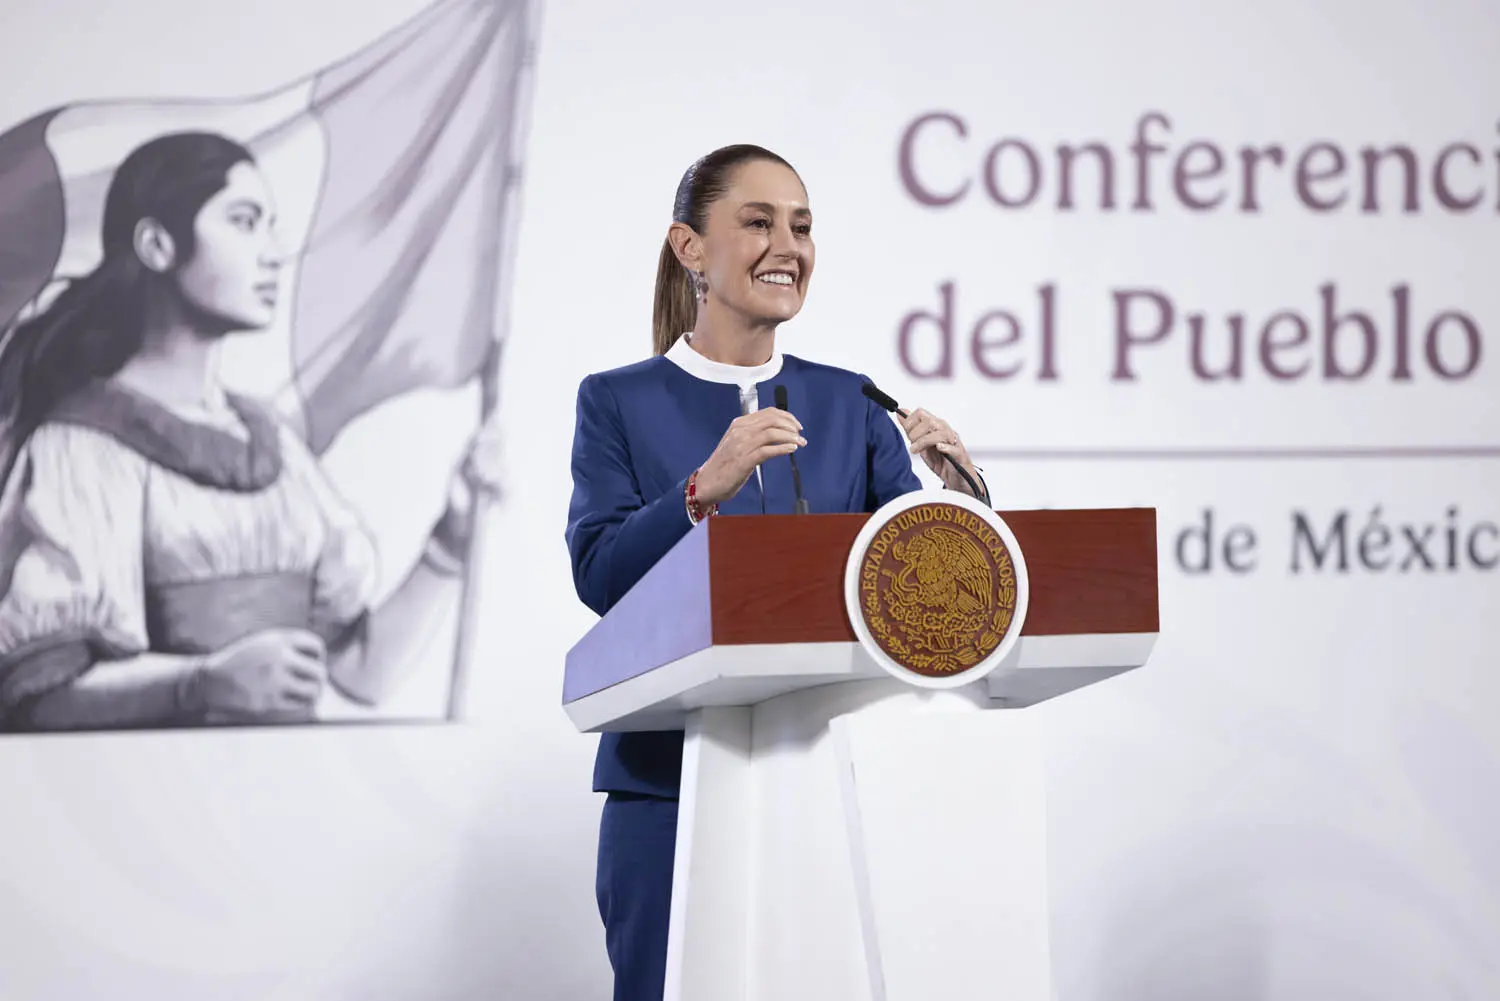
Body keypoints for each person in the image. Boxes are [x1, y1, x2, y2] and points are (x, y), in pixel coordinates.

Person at [564, 143, 990, 1000]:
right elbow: (601, 575)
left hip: (829, 779)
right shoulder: (616, 399)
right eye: (757, 222)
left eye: (800, 226)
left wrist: (964, 504)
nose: (786, 245)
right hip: (667, 786)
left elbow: (913, 601)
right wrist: (700, 490)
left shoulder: (852, 402)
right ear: (691, 248)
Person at [0, 130, 500, 731]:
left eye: (270, 225)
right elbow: (40, 695)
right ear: (158, 245)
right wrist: (201, 682)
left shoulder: (274, 445)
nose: (272, 252)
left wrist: (450, 540)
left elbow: (361, 672)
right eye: (244, 221)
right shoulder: (81, 446)